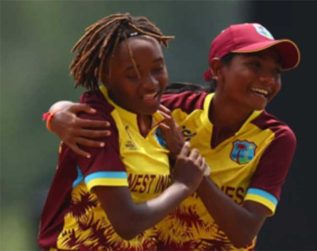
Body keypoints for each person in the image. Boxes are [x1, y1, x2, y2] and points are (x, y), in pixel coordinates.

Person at [46, 22, 301, 250]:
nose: (267, 79)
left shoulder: (276, 138)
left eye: (276, 71)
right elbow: (113, 103)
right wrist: (57, 114)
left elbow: (243, 233)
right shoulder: (171, 111)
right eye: (254, 65)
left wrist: (192, 171)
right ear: (217, 69)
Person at [38, 13, 208, 251]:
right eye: (133, 75)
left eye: (157, 69)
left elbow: (220, 102)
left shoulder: (162, 117)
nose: (150, 83)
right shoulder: (97, 123)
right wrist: (183, 184)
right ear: (106, 76)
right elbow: (127, 223)